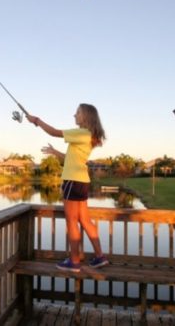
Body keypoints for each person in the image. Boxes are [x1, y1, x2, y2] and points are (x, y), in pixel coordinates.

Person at [26, 104, 109, 272]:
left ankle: (74, 261)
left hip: (72, 181)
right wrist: (55, 152)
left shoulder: (80, 133)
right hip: (81, 181)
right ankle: (100, 257)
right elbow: (70, 158)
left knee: (72, 222)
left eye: (77, 113)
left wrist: (36, 120)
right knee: (84, 219)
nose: (74, 115)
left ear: (85, 116)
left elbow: (54, 132)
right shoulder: (87, 136)